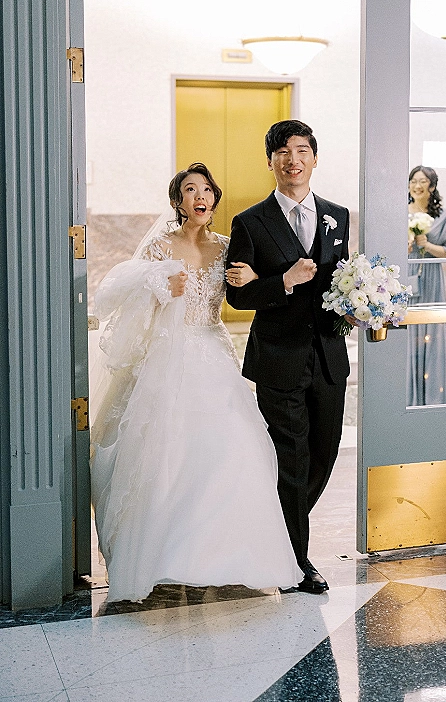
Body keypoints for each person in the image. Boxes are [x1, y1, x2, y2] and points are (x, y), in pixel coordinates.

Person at [90, 162, 302, 603]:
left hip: (213, 354)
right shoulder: (160, 247)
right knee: (164, 455)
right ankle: (167, 558)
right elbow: (129, 301)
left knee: (231, 451)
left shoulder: (227, 247)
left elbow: (247, 292)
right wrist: (159, 287)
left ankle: (225, 558)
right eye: (190, 190)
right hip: (168, 359)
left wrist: (253, 279)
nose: (200, 196)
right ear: (177, 201)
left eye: (206, 189)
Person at [226, 120, 350, 595]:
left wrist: (361, 302)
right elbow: (238, 296)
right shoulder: (250, 223)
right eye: (282, 152)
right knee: (291, 458)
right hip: (278, 358)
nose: (292, 159)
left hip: (329, 357)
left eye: (301, 150)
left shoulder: (337, 215)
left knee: (325, 452)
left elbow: (342, 279)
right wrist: (284, 281)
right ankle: (297, 561)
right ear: (271, 161)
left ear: (315, 158)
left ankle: (281, 532)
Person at [407, 165, 446, 405]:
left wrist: (425, 244)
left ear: (432, 186)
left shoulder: (445, 217)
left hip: (432, 280)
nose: (417, 186)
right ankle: (409, 395)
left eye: (423, 181)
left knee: (433, 333)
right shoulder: (400, 212)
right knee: (406, 333)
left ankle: (433, 396)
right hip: (406, 278)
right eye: (413, 181)